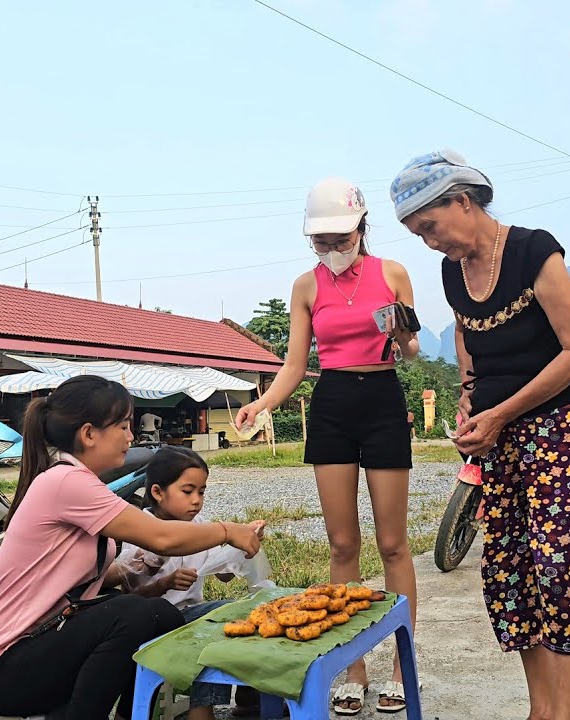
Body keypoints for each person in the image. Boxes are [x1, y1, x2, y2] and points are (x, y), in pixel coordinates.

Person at [391, 150, 570, 720]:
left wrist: (502, 413)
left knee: (558, 569)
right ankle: (540, 709)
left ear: (463, 201)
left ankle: (562, 713)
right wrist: (468, 397)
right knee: (513, 572)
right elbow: (466, 334)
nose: (430, 243)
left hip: (557, 433)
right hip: (499, 441)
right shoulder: (451, 271)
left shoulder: (535, 250)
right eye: (419, 235)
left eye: (431, 227)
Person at [0, 375, 265, 720]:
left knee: (160, 613)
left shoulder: (74, 480)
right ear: (89, 434)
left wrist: (138, 568)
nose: (131, 436)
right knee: (136, 613)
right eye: (124, 426)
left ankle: (132, 713)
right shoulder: (65, 481)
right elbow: (163, 536)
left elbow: (94, 575)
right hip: (9, 668)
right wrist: (228, 531)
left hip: (48, 645)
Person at [235, 177, 419, 715]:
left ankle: (399, 669)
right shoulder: (306, 287)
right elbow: (296, 364)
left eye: (341, 238)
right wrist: (262, 403)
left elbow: (408, 353)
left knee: (393, 544)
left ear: (361, 227)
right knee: (342, 544)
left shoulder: (393, 273)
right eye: (321, 241)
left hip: (383, 396)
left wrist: (406, 336)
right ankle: (351, 667)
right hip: (332, 404)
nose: (333, 249)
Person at [106, 446, 259, 720]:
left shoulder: (200, 527)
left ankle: (251, 696)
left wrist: (242, 546)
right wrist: (165, 583)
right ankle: (202, 710)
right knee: (219, 618)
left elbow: (222, 574)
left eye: (201, 492)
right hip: (154, 621)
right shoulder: (143, 528)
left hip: (191, 616)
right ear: (157, 492)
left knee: (247, 611)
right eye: (187, 491)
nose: (196, 501)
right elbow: (131, 595)